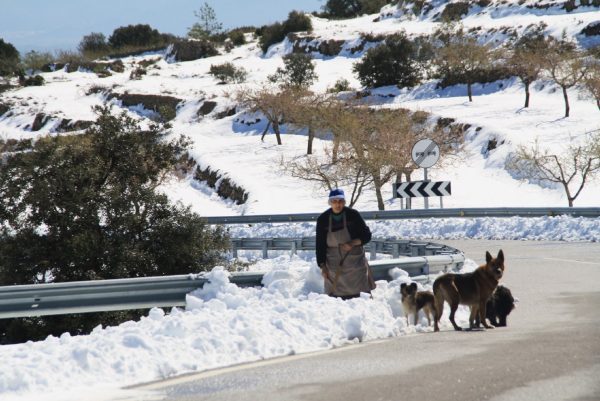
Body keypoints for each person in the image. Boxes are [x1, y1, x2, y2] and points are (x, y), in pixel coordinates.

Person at [316, 188, 375, 299]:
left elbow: (367, 236)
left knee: (360, 293)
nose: (337, 204)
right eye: (334, 201)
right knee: (335, 294)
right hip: (334, 263)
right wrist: (322, 266)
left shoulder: (353, 215)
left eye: (340, 201)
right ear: (330, 202)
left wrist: (353, 243)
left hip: (355, 261)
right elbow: (320, 245)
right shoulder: (322, 219)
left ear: (344, 202)